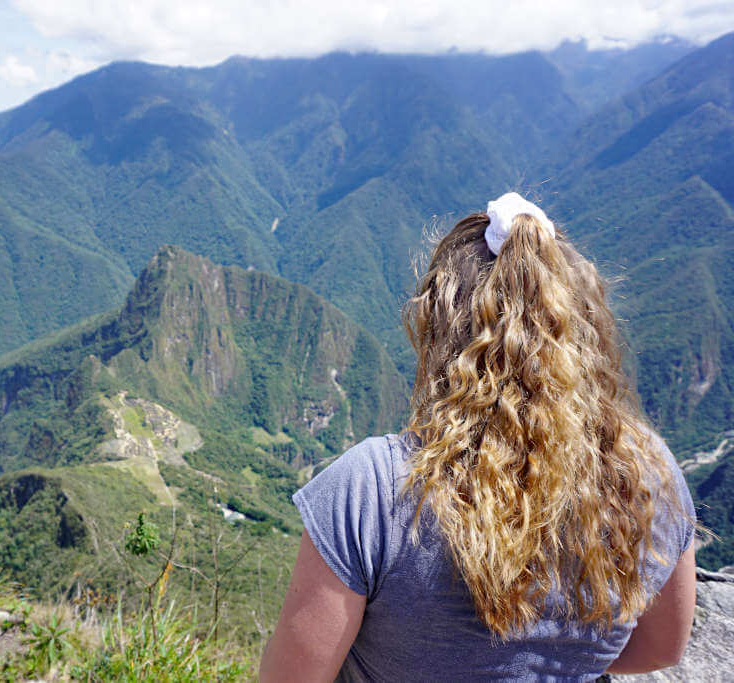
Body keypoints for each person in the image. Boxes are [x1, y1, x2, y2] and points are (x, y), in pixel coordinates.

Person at [259, 193, 697, 682]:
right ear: (582, 328)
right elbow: (663, 647)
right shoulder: (646, 474)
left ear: (439, 327)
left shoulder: (373, 490)